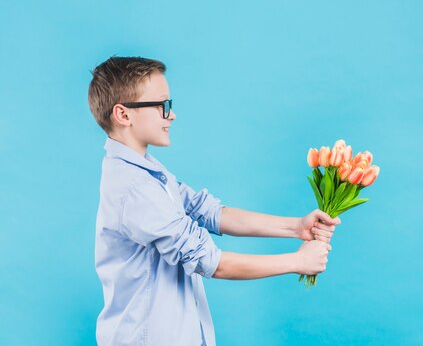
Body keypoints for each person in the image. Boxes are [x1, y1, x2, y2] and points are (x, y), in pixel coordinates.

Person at [88, 56, 340, 346]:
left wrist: (296, 227)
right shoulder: (135, 189)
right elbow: (211, 263)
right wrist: (298, 261)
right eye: (162, 106)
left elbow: (207, 212)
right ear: (123, 114)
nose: (172, 116)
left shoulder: (148, 172)